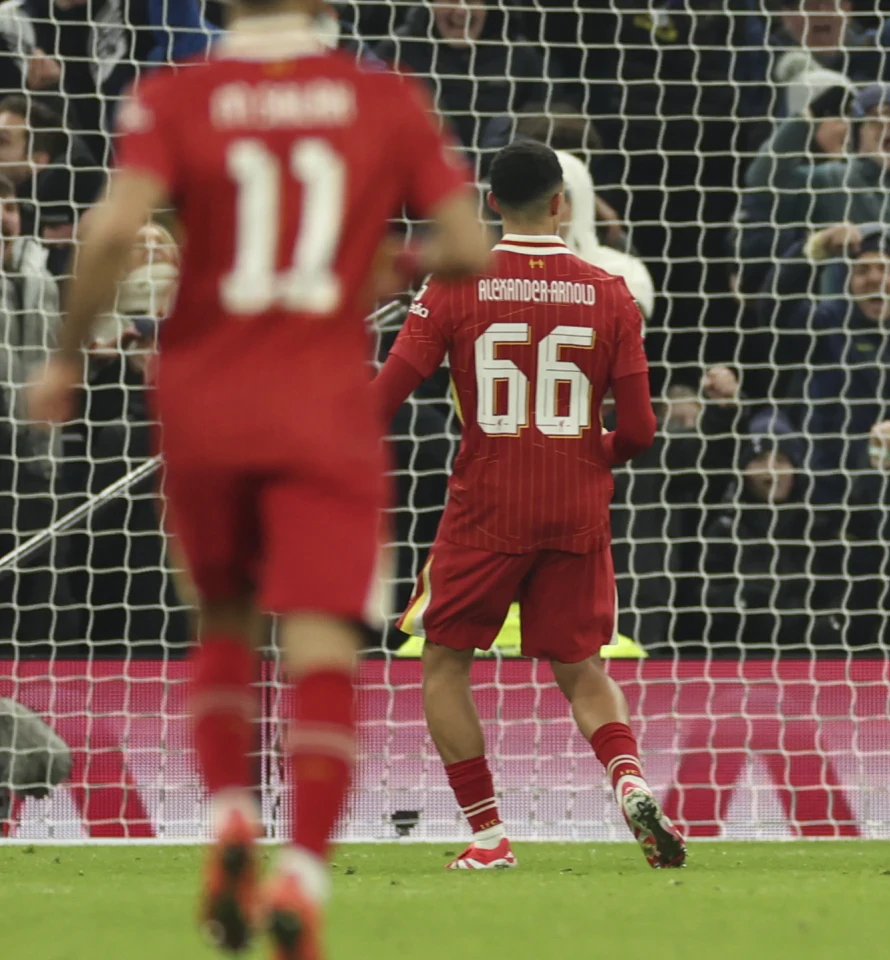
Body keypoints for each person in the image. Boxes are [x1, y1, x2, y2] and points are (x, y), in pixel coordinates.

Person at [25, 1, 490, 955]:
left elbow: (112, 231)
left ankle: (231, 818)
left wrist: (67, 357)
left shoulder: (176, 94)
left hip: (204, 396)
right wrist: (382, 265)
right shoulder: (384, 96)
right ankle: (305, 874)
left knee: (224, 623)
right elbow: (468, 246)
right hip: (322, 405)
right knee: (321, 643)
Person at [371, 139, 685, 872]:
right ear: (561, 204)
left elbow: (382, 400)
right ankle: (630, 780)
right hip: (577, 505)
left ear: (488, 205)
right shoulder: (611, 292)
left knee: (446, 664)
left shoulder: (455, 285)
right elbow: (639, 431)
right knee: (582, 667)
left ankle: (488, 837)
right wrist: (583, 454)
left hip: (487, 501)